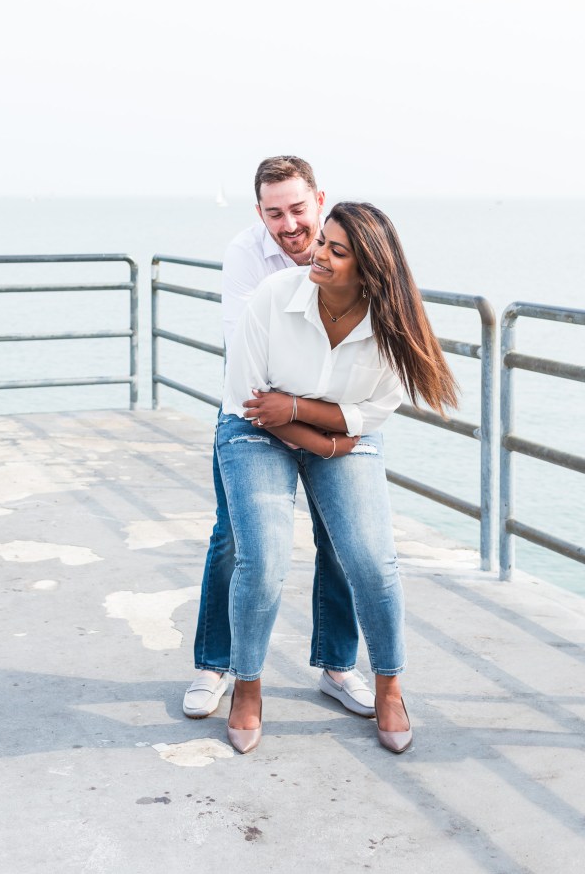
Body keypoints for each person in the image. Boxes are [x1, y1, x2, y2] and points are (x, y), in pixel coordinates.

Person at [217, 201, 458, 754]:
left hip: (339, 432)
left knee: (373, 560)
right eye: (322, 241)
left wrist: (303, 415)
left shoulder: (394, 325)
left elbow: (374, 413)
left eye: (336, 250)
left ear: (369, 268)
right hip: (254, 430)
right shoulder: (274, 298)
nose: (317, 254)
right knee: (266, 559)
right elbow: (254, 403)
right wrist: (319, 435)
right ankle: (247, 688)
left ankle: (390, 688)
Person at [183, 158, 375, 722]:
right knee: (237, 542)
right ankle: (215, 663)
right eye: (274, 213)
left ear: (320, 199)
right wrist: (304, 411)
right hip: (252, 411)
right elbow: (248, 359)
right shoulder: (246, 255)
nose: (289, 225)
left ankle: (338, 666)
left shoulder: (352, 244)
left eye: (298, 209)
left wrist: (319, 418)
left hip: (331, 412)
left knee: (341, 541)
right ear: (259, 212)